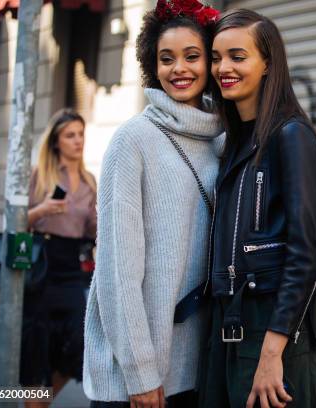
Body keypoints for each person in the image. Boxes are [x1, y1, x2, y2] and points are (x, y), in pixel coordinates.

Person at [82, 1, 222, 407]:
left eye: (192, 56)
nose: (179, 68)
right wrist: (141, 373)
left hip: (195, 371)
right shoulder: (133, 140)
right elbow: (116, 272)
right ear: (152, 65)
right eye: (166, 58)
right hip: (137, 378)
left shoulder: (221, 141)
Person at [199, 9, 316, 408]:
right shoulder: (235, 141)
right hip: (229, 327)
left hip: (274, 333)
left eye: (238, 57)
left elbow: (305, 253)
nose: (224, 68)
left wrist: (273, 353)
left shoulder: (291, 135)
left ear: (268, 63)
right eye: (217, 58)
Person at [22, 108, 97, 408]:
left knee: (79, 347)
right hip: (41, 267)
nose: (78, 141)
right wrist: (42, 211)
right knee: (35, 349)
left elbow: (94, 230)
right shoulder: (41, 175)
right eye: (70, 135)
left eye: (80, 134)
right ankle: (33, 403)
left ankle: (40, 402)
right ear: (56, 142)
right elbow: (16, 222)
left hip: (71, 271)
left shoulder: (90, 180)